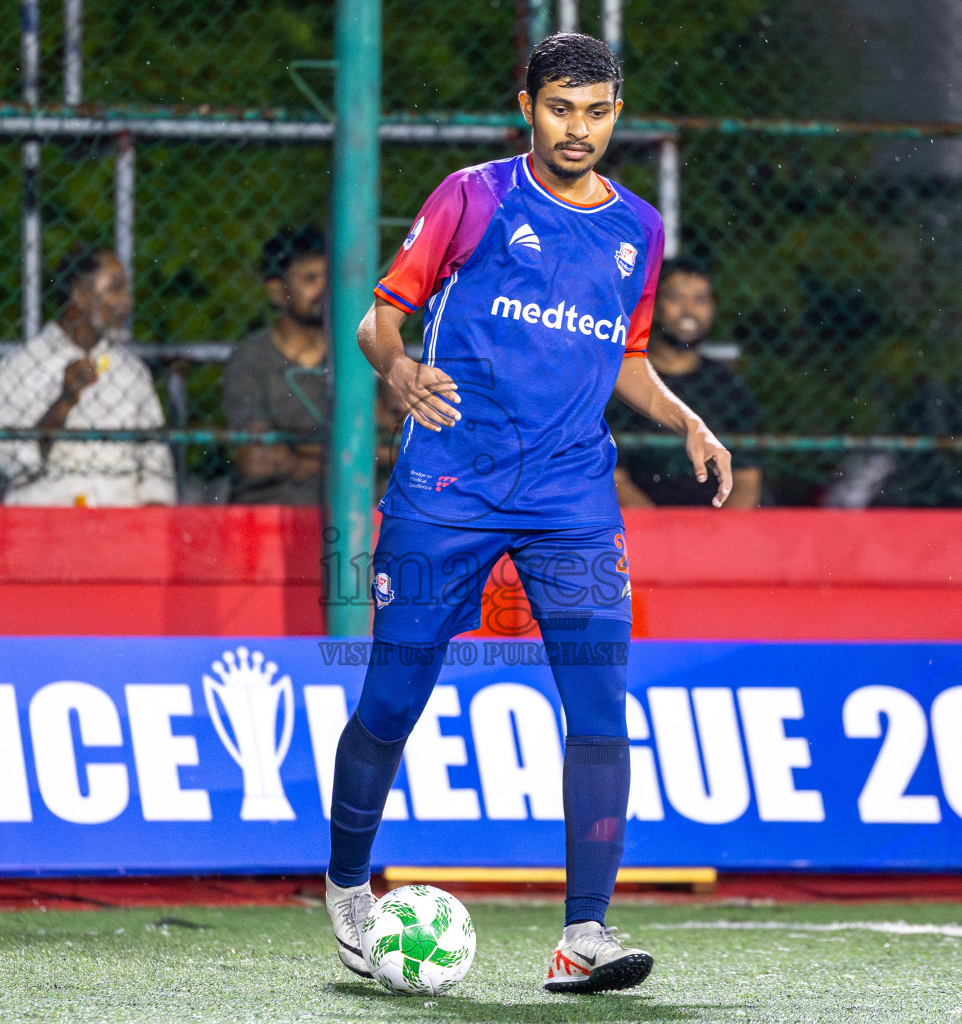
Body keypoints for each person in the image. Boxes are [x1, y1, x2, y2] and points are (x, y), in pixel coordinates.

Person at [324, 33, 736, 995]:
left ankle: (583, 934)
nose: (576, 129)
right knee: (392, 698)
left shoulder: (639, 229)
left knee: (599, 704)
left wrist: (686, 419)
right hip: (448, 490)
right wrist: (398, 370)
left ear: (616, 114)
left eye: (595, 112)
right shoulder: (471, 197)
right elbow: (377, 320)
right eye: (560, 109)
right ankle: (346, 887)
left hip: (572, 500)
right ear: (527, 108)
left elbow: (626, 359)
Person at [0, 248, 175, 507]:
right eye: (115, 289)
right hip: (47, 521)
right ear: (81, 294)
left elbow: (157, 466)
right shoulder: (19, 367)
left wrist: (150, 519)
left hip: (117, 522)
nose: (126, 302)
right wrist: (64, 401)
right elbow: (13, 463)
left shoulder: (132, 371)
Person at [608, 259, 763, 507]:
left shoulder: (728, 386)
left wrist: (719, 530)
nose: (688, 310)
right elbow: (615, 478)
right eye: (675, 298)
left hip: (713, 526)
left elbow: (747, 479)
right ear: (654, 304)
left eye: (700, 300)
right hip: (638, 524)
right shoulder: (625, 382)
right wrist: (660, 529)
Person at [223, 227, 329, 504]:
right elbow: (257, 460)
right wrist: (344, 456)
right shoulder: (251, 359)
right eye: (310, 279)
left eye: (331, 278)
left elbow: (392, 445)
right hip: (274, 506)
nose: (325, 290)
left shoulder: (357, 353)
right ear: (277, 291)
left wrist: (297, 456)